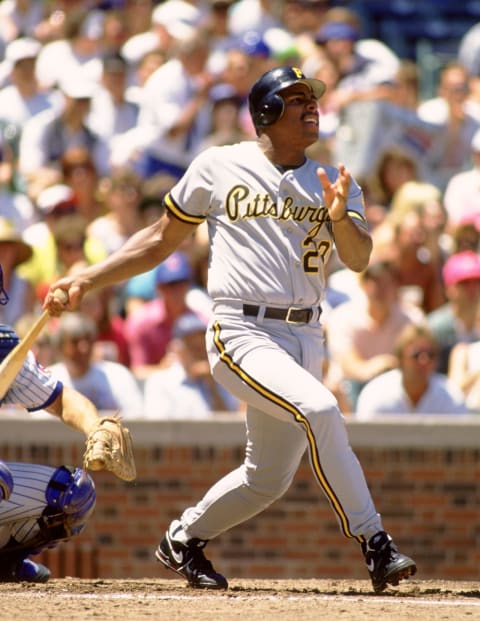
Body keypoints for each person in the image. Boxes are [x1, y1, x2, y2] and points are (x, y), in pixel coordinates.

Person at [44, 65, 416, 594]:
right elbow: (158, 238)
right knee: (323, 409)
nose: (311, 105)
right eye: (296, 98)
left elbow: (358, 259)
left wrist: (338, 218)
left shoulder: (334, 180)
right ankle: (375, 542)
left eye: (312, 97)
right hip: (241, 328)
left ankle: (183, 537)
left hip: (307, 334)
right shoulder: (221, 164)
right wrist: (87, 278)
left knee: (267, 477)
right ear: (265, 112)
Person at [0, 321, 98, 583]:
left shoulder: (3, 345)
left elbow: (61, 399)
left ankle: (4, 564)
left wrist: (96, 427)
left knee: (72, 492)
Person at [356, 323, 469, 417]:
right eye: (416, 355)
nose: (424, 361)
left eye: (430, 355)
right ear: (400, 358)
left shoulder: (451, 396)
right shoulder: (376, 394)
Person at [143, 312, 241, 418]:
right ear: (177, 350)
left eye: (202, 346)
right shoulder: (160, 382)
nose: (200, 353)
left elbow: (230, 427)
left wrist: (212, 387)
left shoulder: (221, 380)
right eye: (193, 347)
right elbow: (159, 428)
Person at [49, 311, 143, 418]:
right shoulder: (49, 380)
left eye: (88, 340)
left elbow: (136, 417)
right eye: (75, 342)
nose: (83, 348)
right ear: (60, 346)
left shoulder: (117, 375)